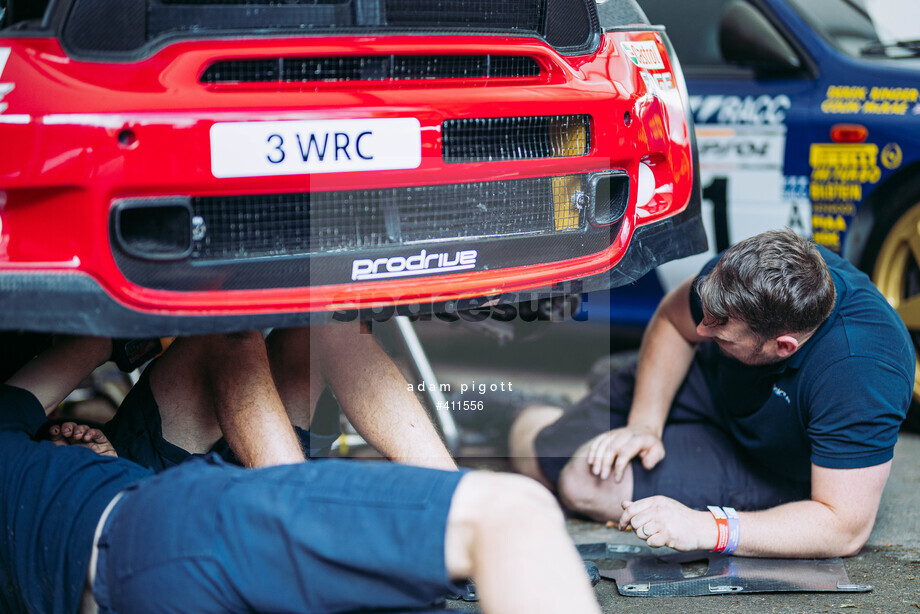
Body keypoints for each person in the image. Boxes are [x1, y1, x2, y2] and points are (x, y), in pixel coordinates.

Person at [1, 335, 601, 614]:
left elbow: (85, 349)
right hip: (165, 527)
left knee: (317, 325)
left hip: (132, 557)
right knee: (514, 513)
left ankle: (325, 510)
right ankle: (305, 509)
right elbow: (81, 350)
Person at [509, 229, 914, 558]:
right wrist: (645, 424)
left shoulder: (861, 373)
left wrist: (710, 528)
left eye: (718, 330)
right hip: (715, 381)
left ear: (783, 345)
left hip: (773, 463)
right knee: (537, 455)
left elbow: (843, 528)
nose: (701, 331)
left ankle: (585, 393)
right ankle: (531, 410)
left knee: (583, 482)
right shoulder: (746, 277)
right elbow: (673, 321)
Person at [103, 322, 457, 472]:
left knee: (330, 318)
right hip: (154, 490)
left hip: (269, 475)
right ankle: (300, 530)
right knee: (232, 331)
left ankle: (456, 507)